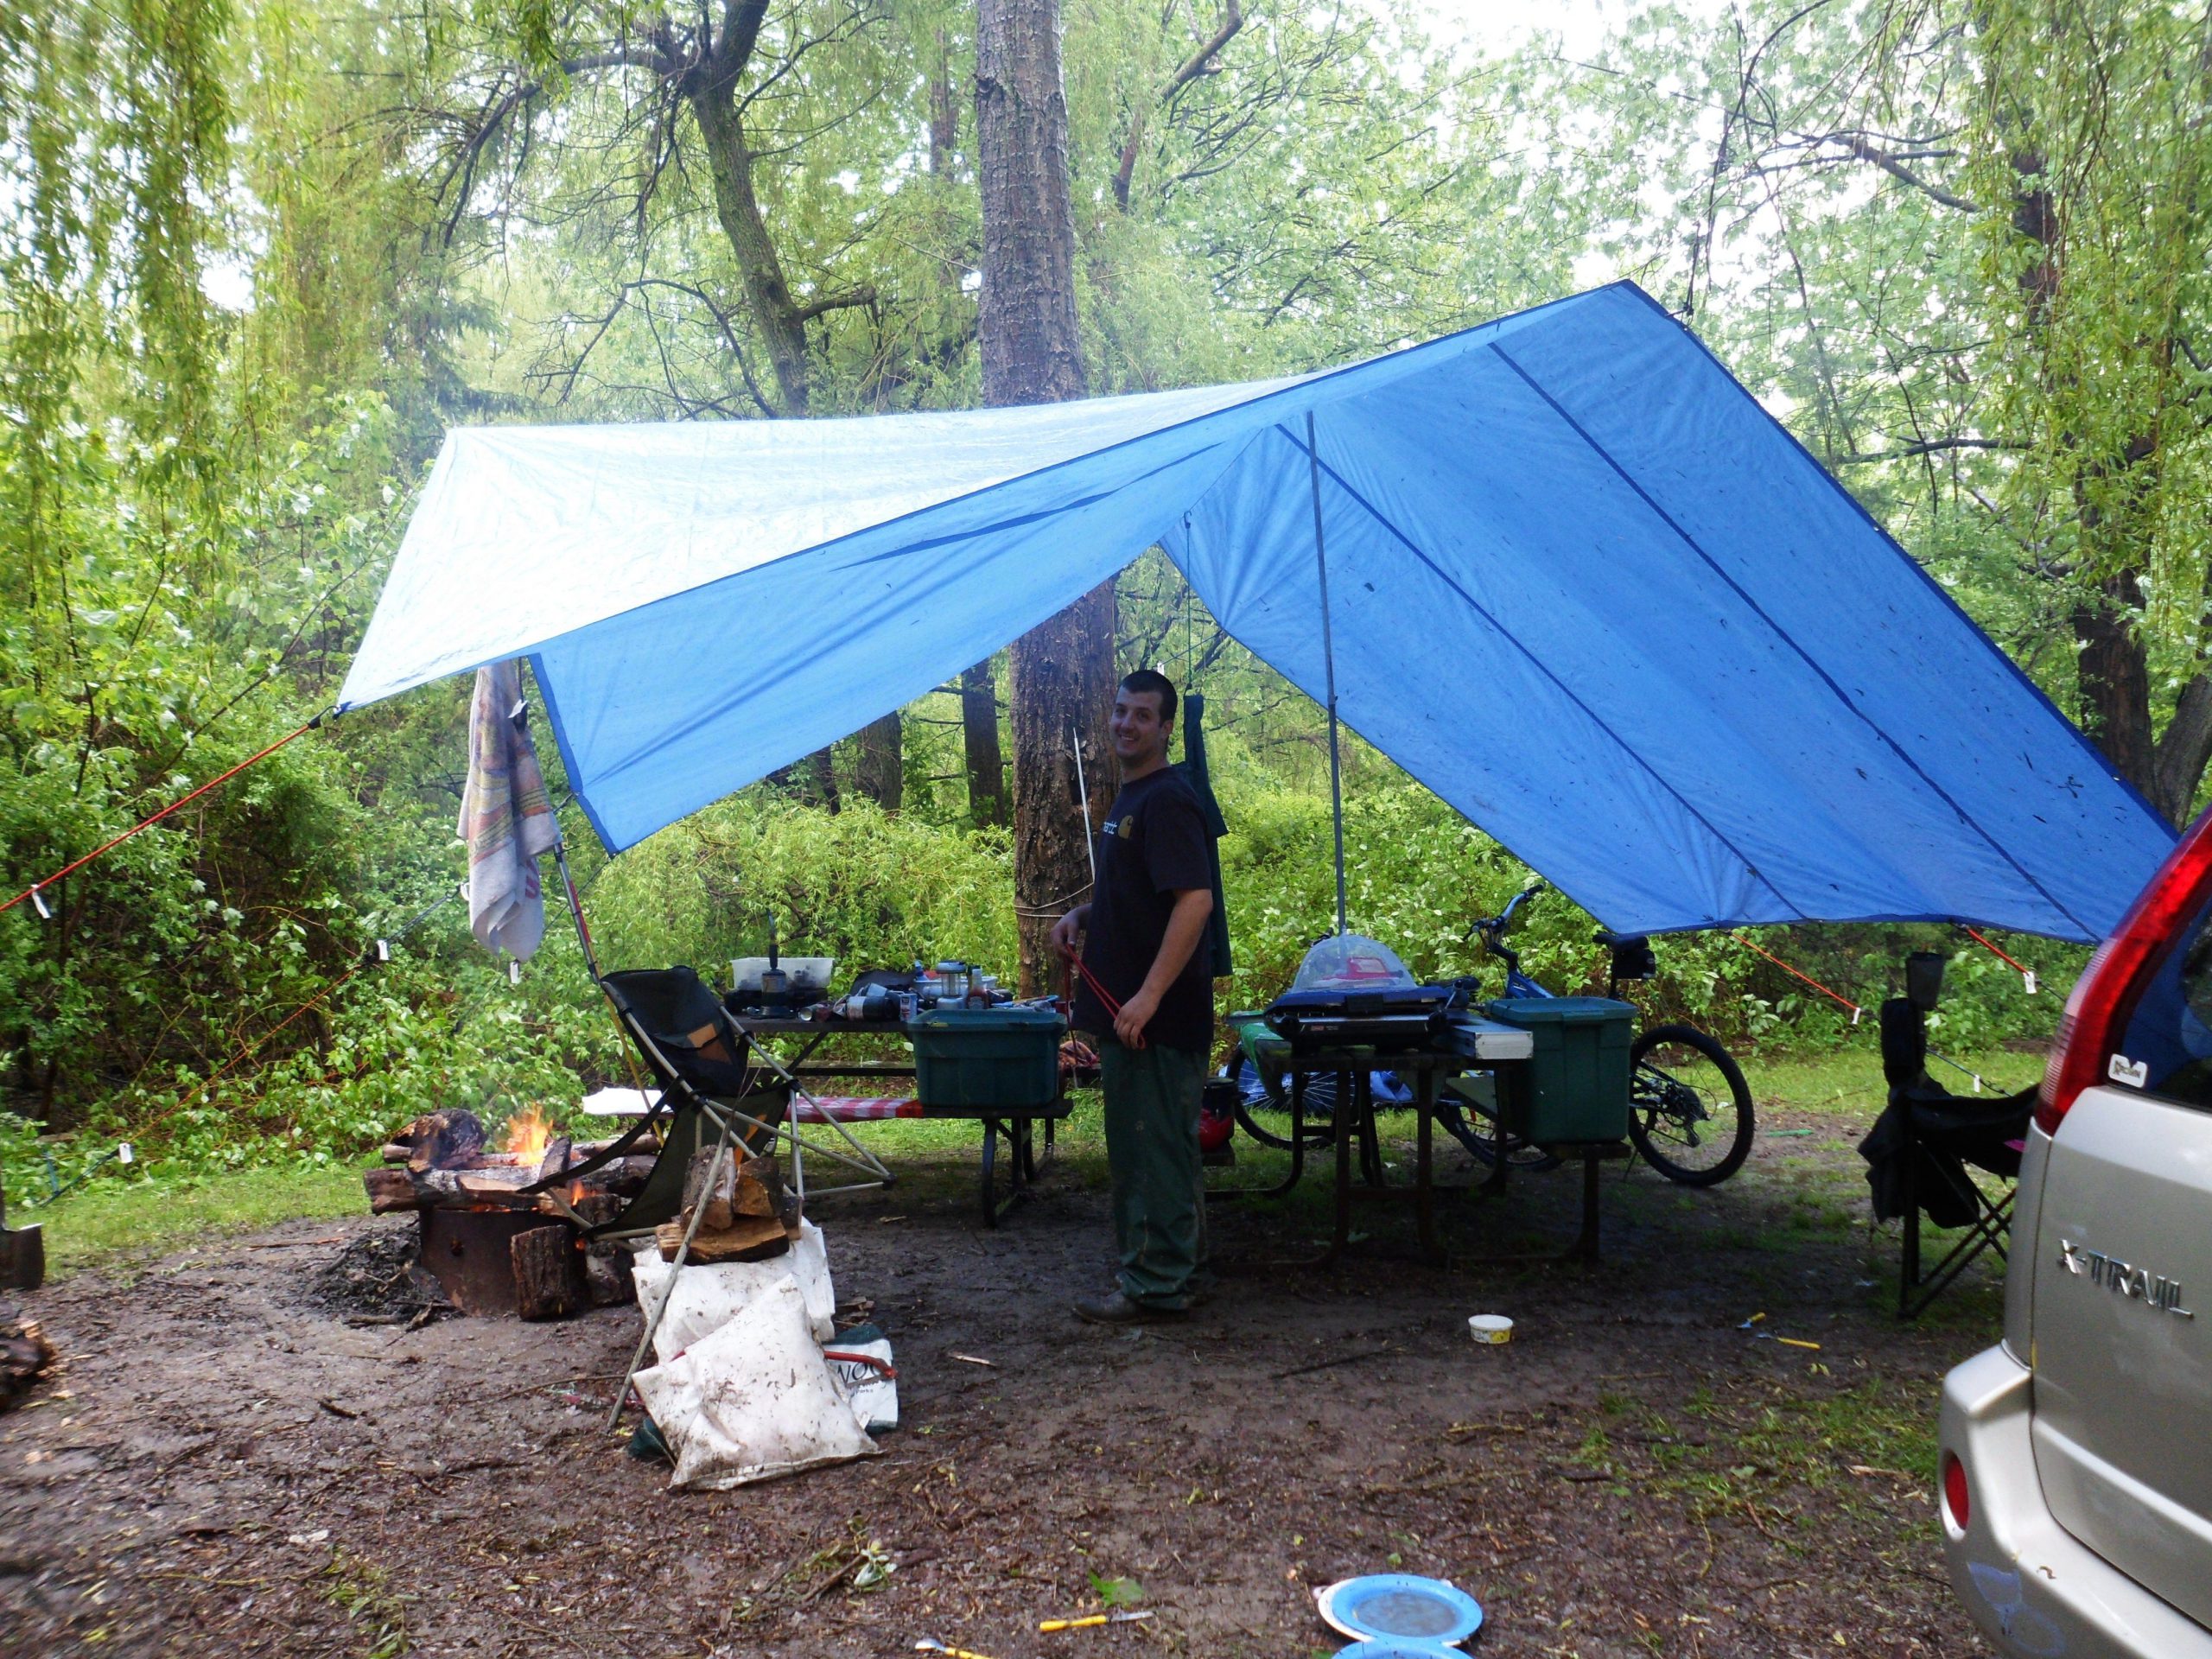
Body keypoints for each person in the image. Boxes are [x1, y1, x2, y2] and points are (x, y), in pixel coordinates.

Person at [1052, 669, 1217, 1324]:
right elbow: (1147, 891)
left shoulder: (1168, 799)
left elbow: (1194, 901)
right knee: (1162, 1148)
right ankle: (1181, 1267)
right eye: (1120, 710)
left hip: (1153, 1018)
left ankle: (1155, 1285)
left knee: (1150, 1149)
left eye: (1142, 715)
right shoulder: (1134, 799)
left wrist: (1148, 996)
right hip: (1127, 1010)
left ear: (1166, 727)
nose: (1126, 723)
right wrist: (1086, 916)